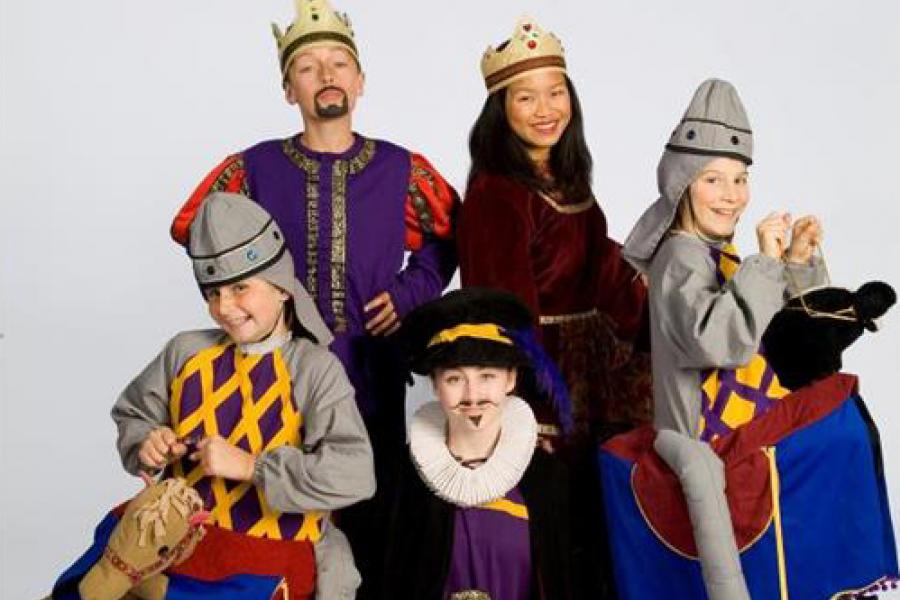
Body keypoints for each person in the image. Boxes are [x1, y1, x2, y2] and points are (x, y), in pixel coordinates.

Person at [168, 1, 458, 588]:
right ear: (287, 89)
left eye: (339, 63)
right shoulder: (254, 168)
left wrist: (407, 294)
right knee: (274, 505)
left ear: (359, 81)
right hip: (273, 370)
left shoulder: (402, 168)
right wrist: (243, 301)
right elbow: (192, 226)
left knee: (366, 502)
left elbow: (452, 236)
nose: (326, 76)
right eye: (308, 67)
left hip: (368, 367)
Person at [53, 192, 376, 599]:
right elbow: (134, 414)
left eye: (240, 287)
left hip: (267, 555)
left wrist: (253, 467)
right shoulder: (186, 351)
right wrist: (148, 441)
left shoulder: (314, 369)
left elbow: (356, 474)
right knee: (85, 585)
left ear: (281, 288)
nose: (225, 307)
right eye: (213, 293)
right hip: (171, 540)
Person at [619, 78, 826, 599]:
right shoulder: (679, 258)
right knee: (703, 475)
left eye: (740, 179)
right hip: (694, 430)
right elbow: (722, 343)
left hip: (747, 413)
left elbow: (784, 337)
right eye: (713, 179)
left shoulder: (723, 255)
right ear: (683, 183)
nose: (731, 196)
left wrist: (796, 264)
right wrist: (764, 264)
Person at [457, 16, 649, 447]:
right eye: (526, 98)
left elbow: (598, 264)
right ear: (501, 109)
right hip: (546, 389)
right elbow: (505, 315)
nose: (545, 110)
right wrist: (530, 413)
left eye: (556, 93)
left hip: (593, 376)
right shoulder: (496, 195)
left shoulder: (568, 177)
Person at [382, 287, 582, 599]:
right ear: (434, 384)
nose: (472, 396)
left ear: (511, 379)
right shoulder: (401, 480)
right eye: (454, 379)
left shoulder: (549, 480)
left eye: (487, 376)